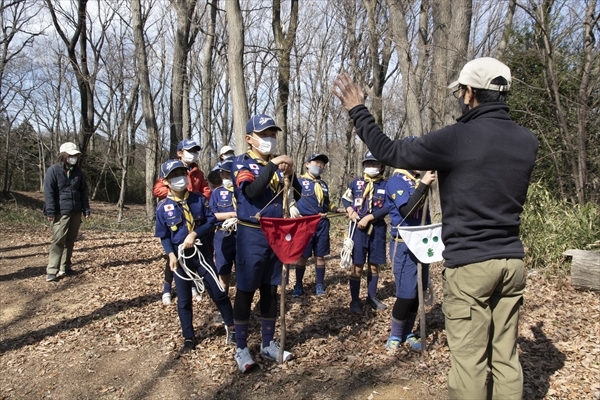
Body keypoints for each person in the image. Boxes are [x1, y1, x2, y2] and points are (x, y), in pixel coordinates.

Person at [333, 57, 539, 400]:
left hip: (472, 263)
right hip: (511, 261)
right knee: (505, 356)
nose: (460, 97)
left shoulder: (457, 138)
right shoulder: (526, 141)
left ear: (470, 92)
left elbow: (387, 150)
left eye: (460, 92)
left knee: (470, 359)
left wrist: (358, 110)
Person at [231, 113, 302, 372]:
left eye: (273, 134)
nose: (270, 139)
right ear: (249, 139)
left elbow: (299, 194)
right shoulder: (242, 163)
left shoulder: (276, 164)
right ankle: (240, 347)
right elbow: (251, 191)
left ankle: (268, 342)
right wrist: (273, 166)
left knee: (271, 289)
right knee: (246, 290)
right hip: (251, 234)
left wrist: (291, 174)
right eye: (264, 135)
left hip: (276, 233)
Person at [154, 159, 235, 352]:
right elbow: (164, 235)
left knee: (217, 291)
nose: (179, 178)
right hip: (180, 259)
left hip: (201, 253)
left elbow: (210, 222)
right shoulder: (163, 207)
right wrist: (170, 255)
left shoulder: (198, 199)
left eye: (182, 173)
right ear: (165, 181)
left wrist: (195, 234)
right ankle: (188, 337)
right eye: (174, 176)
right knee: (183, 299)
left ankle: (232, 327)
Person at [153, 139, 211, 305]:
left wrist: (198, 199)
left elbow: (205, 189)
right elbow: (157, 189)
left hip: (194, 216)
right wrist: (178, 193)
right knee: (173, 254)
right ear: (180, 153)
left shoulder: (198, 172)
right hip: (174, 216)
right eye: (189, 150)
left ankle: (192, 283)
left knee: (192, 252)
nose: (192, 154)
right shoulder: (170, 168)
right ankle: (167, 287)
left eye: (195, 151)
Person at [385, 168, 435, 351]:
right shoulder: (397, 181)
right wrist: (423, 184)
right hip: (404, 244)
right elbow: (407, 209)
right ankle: (395, 335)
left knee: (417, 292)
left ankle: (408, 333)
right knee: (406, 294)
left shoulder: (416, 180)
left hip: (422, 243)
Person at [341, 150, 389, 314]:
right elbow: (346, 198)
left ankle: (371, 297)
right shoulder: (356, 182)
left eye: (374, 163)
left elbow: (389, 206)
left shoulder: (386, 185)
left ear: (381, 166)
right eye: (368, 163)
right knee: (357, 266)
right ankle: (354, 301)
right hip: (358, 229)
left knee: (374, 266)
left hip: (377, 228)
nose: (371, 166)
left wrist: (370, 217)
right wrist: (349, 210)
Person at [291, 153, 344, 297]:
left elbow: (327, 204)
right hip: (305, 223)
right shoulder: (299, 182)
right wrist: (291, 208)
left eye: (322, 164)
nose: (319, 166)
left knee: (320, 256)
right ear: (307, 164)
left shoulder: (323, 184)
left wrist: (338, 209)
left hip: (322, 223)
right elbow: (290, 196)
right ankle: (298, 284)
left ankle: (319, 284)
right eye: (316, 163)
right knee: (303, 256)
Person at [43, 142, 91, 282]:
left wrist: (85, 209)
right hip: (60, 212)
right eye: (71, 155)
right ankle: (52, 270)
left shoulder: (78, 172)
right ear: (64, 156)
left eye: (75, 155)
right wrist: (50, 211)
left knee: (70, 240)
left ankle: (66, 266)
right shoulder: (53, 170)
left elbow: (83, 192)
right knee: (58, 240)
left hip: (75, 211)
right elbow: (49, 192)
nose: (74, 158)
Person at [208, 159, 237, 293]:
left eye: (230, 175)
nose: (227, 178)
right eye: (224, 175)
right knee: (223, 268)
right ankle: (223, 301)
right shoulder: (217, 193)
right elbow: (212, 215)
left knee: (243, 269)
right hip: (223, 234)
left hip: (241, 233)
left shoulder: (243, 191)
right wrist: (232, 215)